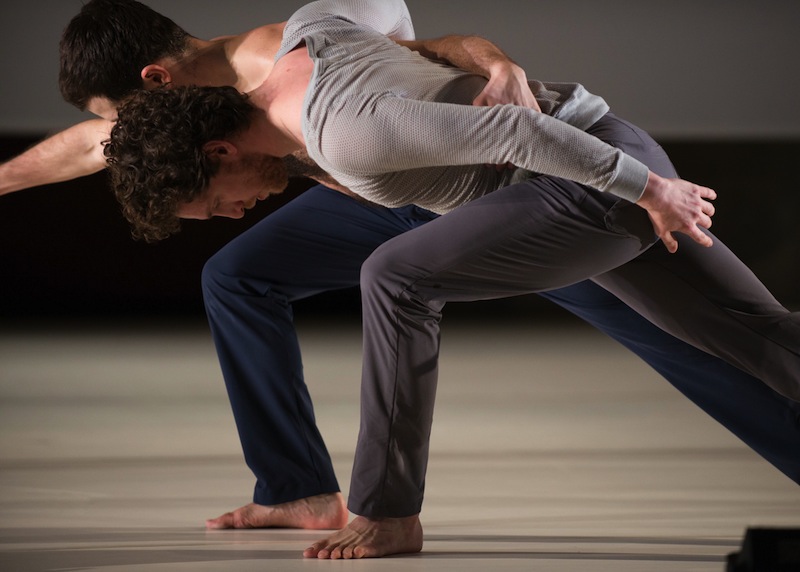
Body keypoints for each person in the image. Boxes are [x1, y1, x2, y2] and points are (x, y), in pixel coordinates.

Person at [4, 0, 799, 537]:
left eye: (120, 117)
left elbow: (439, 52)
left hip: (466, 167)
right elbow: (85, 150)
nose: (117, 136)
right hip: (390, 187)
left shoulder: (291, 57)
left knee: (671, 317)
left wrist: (496, 63)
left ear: (155, 82)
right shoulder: (196, 127)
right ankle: (298, 489)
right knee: (236, 274)